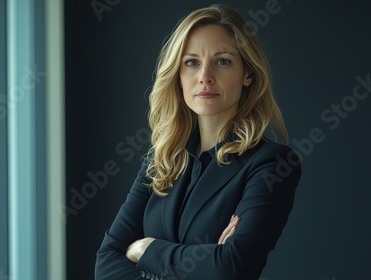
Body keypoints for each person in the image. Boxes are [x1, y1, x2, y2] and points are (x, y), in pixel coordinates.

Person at [95, 4, 301, 280]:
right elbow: (106, 265)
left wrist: (146, 248)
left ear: (247, 74)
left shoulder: (271, 163)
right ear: (178, 76)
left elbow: (230, 266)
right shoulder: (160, 162)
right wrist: (202, 260)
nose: (205, 76)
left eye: (223, 61)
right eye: (191, 62)